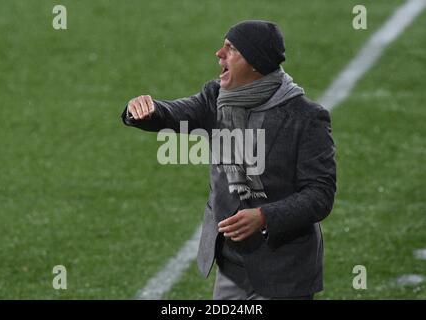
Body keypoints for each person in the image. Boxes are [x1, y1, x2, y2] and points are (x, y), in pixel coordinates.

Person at [121, 20, 336, 300]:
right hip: (232, 266)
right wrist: (146, 111)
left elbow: (320, 194)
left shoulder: (305, 117)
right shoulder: (217, 97)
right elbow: (176, 112)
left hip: (283, 270)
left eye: (230, 49)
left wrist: (264, 217)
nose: (218, 54)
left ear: (255, 62)